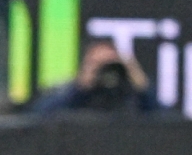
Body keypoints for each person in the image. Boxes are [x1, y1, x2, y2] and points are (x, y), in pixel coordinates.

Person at [27, 40, 157, 113]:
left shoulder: (131, 96)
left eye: (108, 64)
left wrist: (143, 88)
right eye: (97, 64)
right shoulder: (71, 95)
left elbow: (168, 124)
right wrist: (79, 89)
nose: (104, 71)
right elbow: (38, 117)